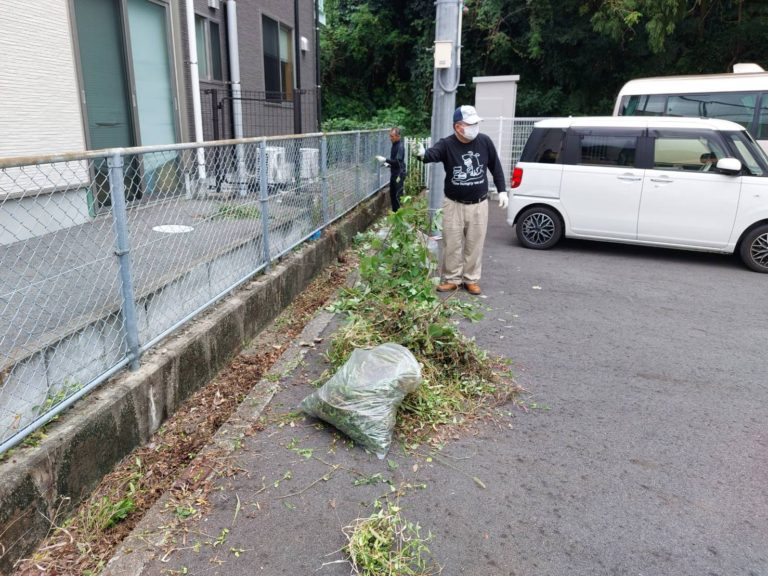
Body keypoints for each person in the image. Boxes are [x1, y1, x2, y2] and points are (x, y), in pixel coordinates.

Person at [416, 105, 508, 295]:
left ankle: (471, 279)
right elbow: (432, 154)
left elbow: (495, 166)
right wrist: (422, 154)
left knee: (475, 243)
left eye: (476, 123)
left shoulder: (484, 141)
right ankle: (452, 279)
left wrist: (502, 190)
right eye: (471, 124)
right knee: (452, 243)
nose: (475, 127)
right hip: (453, 204)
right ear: (458, 127)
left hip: (479, 204)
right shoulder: (447, 144)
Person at [375, 127, 406, 211]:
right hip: (394, 173)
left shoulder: (400, 147)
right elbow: (395, 162)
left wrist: (385, 159)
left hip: (399, 175)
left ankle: (398, 215)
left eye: (392, 136)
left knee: (397, 196)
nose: (390, 138)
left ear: (398, 136)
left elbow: (398, 162)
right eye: (390, 136)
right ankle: (394, 213)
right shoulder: (394, 145)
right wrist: (388, 165)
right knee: (392, 194)